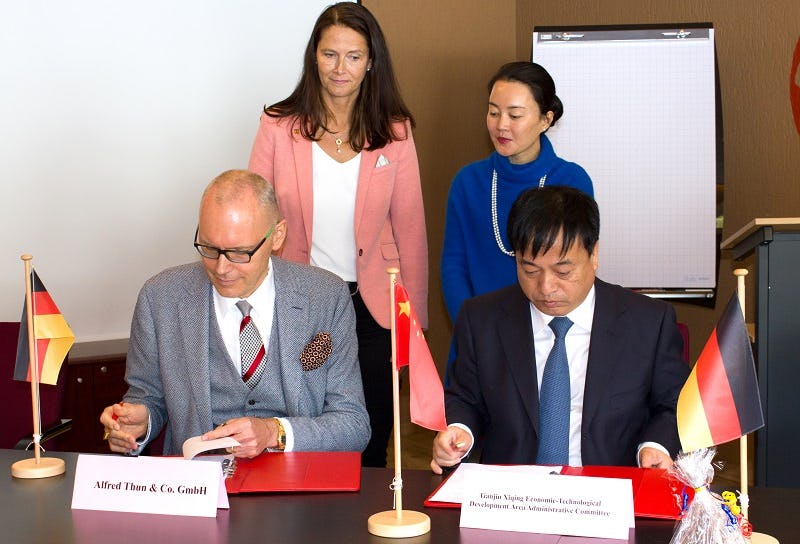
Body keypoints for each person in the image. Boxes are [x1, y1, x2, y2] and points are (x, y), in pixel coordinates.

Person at [247, 2, 427, 467]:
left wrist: (415, 325)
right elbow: (255, 214)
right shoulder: (277, 125)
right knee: (303, 425)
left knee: (369, 430)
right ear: (314, 57)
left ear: (371, 61)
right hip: (301, 300)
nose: (340, 68)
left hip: (373, 306)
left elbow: (411, 231)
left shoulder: (395, 132)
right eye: (330, 55)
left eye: (353, 56)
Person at [100, 170, 370, 457]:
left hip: (298, 484)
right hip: (197, 487)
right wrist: (139, 424)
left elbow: (353, 425)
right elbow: (146, 399)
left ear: (277, 236)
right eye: (209, 248)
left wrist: (274, 432)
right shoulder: (160, 298)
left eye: (240, 253)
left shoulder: (325, 296)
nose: (221, 268)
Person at [431, 186, 689, 473]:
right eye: (530, 270)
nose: (545, 287)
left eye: (563, 272)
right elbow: (465, 398)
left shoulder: (648, 322)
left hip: (609, 493)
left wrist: (656, 445)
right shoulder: (481, 319)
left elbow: (673, 405)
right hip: (509, 496)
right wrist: (459, 430)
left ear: (594, 255)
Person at [441, 61, 593, 323]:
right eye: (493, 113)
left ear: (546, 119)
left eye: (515, 115)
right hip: (479, 330)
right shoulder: (468, 181)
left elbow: (575, 269)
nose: (501, 125)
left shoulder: (572, 180)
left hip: (547, 333)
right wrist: (472, 329)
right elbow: (454, 266)